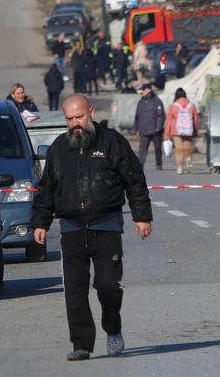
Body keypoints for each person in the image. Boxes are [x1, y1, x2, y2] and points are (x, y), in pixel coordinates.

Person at [31, 94, 153, 361]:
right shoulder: (59, 149)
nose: (75, 123)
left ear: (92, 112)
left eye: (80, 117)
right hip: (72, 228)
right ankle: (81, 344)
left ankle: (113, 329)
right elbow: (46, 189)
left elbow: (134, 179)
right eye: (70, 119)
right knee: (74, 289)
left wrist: (141, 216)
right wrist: (40, 222)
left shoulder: (112, 143)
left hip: (106, 224)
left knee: (107, 285)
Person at [163, 87, 200, 174]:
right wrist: (195, 131)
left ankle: (179, 167)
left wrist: (166, 134)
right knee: (188, 147)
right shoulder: (191, 105)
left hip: (176, 130)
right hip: (188, 130)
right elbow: (195, 120)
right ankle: (188, 159)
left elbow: (168, 121)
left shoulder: (173, 106)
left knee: (179, 149)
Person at [133, 82, 165, 169]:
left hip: (155, 130)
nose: (142, 92)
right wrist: (136, 128)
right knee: (142, 149)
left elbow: (161, 115)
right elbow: (137, 116)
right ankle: (140, 165)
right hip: (144, 130)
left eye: (143, 90)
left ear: (148, 90)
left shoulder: (157, 101)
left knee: (158, 148)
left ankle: (159, 165)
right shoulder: (141, 101)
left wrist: (159, 127)